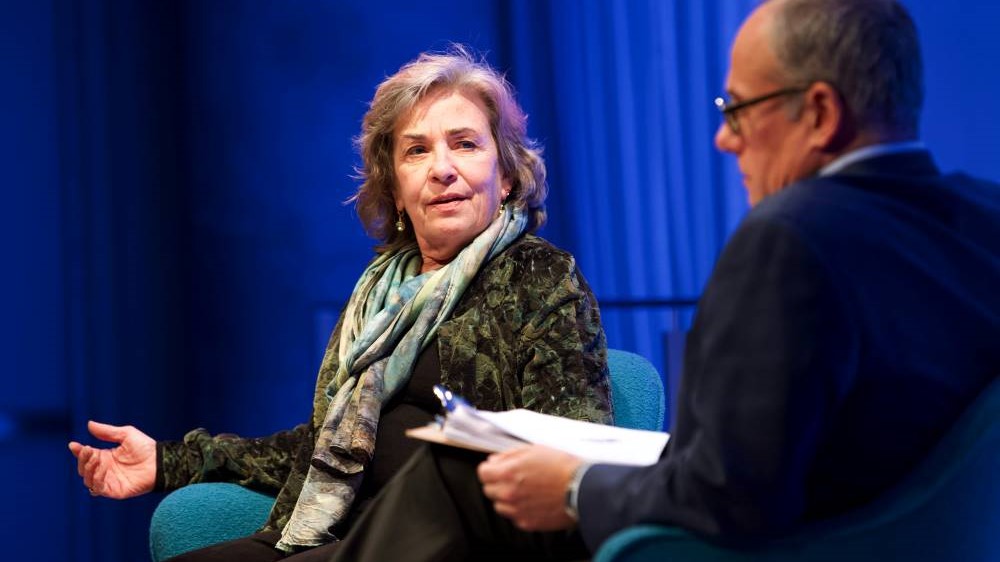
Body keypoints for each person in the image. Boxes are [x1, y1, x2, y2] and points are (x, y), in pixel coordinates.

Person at [307, 1, 1000, 560]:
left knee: (457, 478)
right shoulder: (983, 220)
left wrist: (577, 486)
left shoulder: (791, 239)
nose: (724, 140)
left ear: (818, 112)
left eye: (737, 110)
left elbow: (729, 497)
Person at [67, 47, 613, 561]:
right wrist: (169, 461)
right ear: (396, 189)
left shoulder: (540, 275)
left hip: (450, 541)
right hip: (338, 530)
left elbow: (566, 449)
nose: (441, 168)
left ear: (510, 177)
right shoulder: (379, 293)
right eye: (416, 150)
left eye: (465, 144)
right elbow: (323, 447)